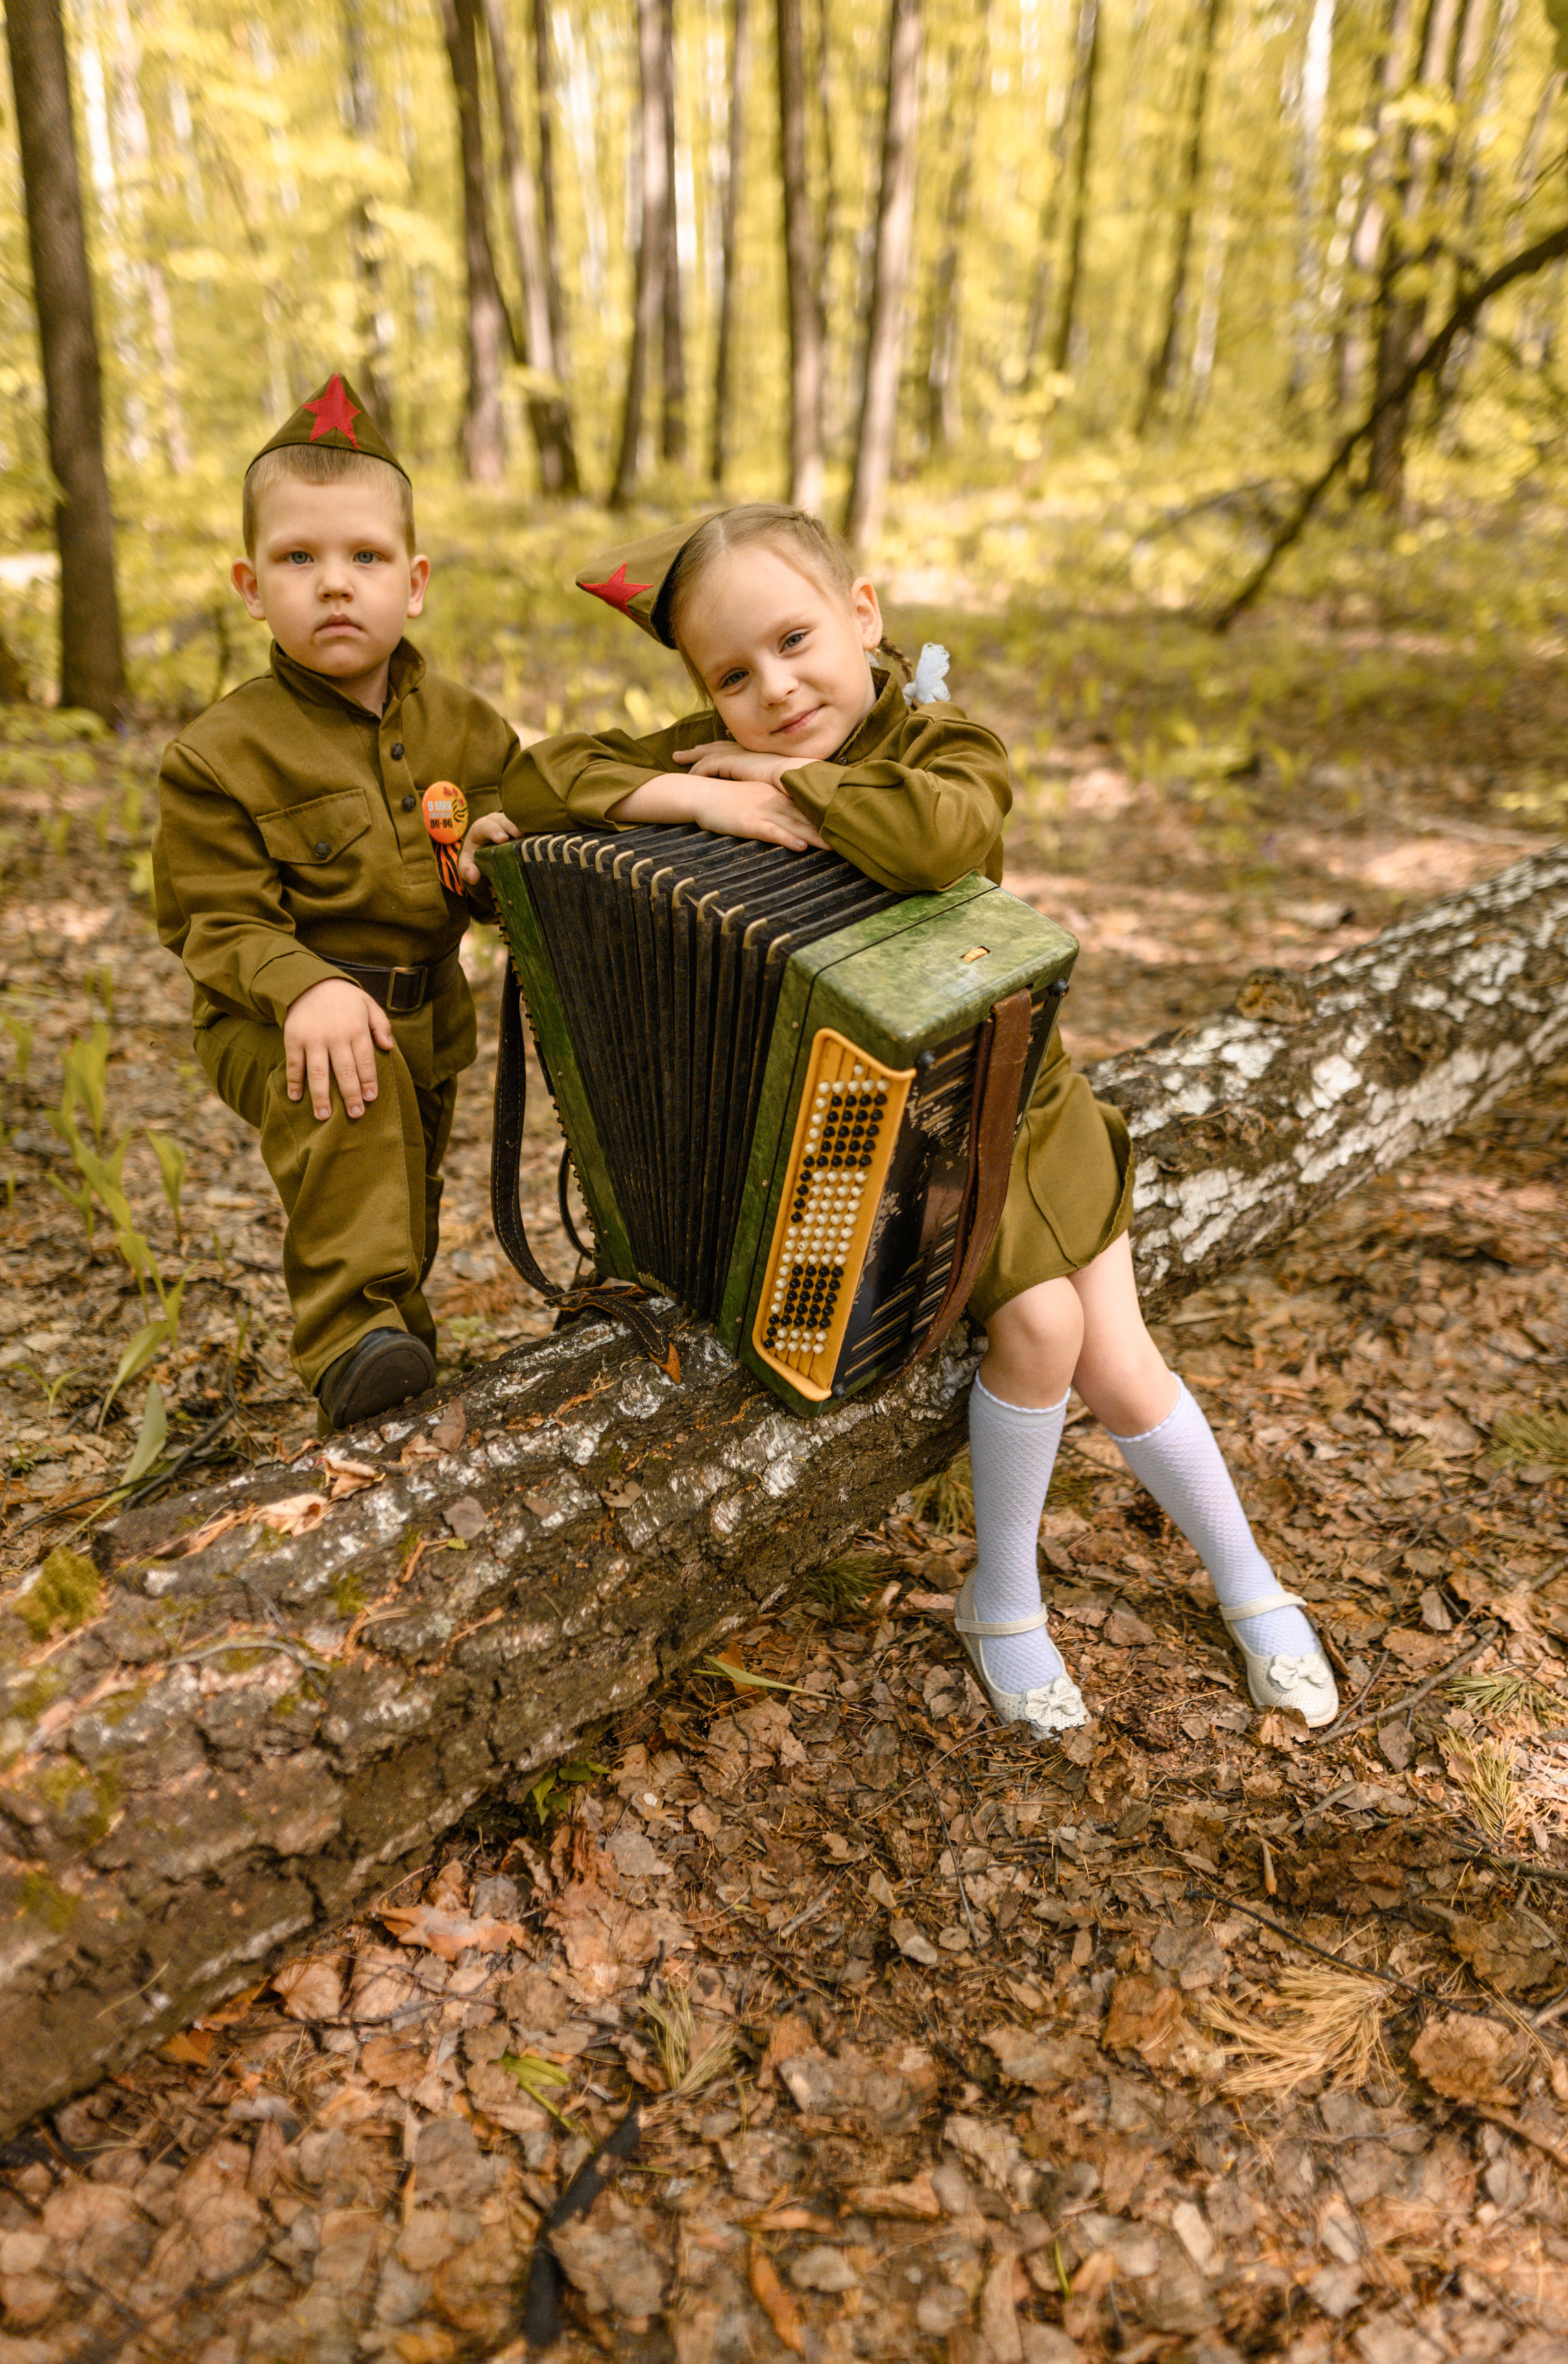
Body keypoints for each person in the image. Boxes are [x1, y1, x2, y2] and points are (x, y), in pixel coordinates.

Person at [502, 504, 1338, 1733]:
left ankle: (1246, 1581)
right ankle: (1005, 1596)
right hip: (904, 1137)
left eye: (797, 640)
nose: (777, 689)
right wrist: (697, 792)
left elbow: (941, 835)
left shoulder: (945, 740)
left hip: (1012, 1103)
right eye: (733, 677)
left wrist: (785, 777)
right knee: (1050, 1330)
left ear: (865, 613)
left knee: (1120, 1361)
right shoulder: (719, 747)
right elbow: (536, 775)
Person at [152, 371, 520, 1430]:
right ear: (250, 584)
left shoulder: (462, 719)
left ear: (413, 582)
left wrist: (502, 852)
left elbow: (508, 818)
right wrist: (302, 985)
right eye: (298, 558)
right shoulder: (220, 754)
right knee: (346, 1109)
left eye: (364, 557)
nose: (334, 584)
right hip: (278, 1016)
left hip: (428, 1014)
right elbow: (212, 921)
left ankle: (396, 1349)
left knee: (403, 1198)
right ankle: (352, 1344)